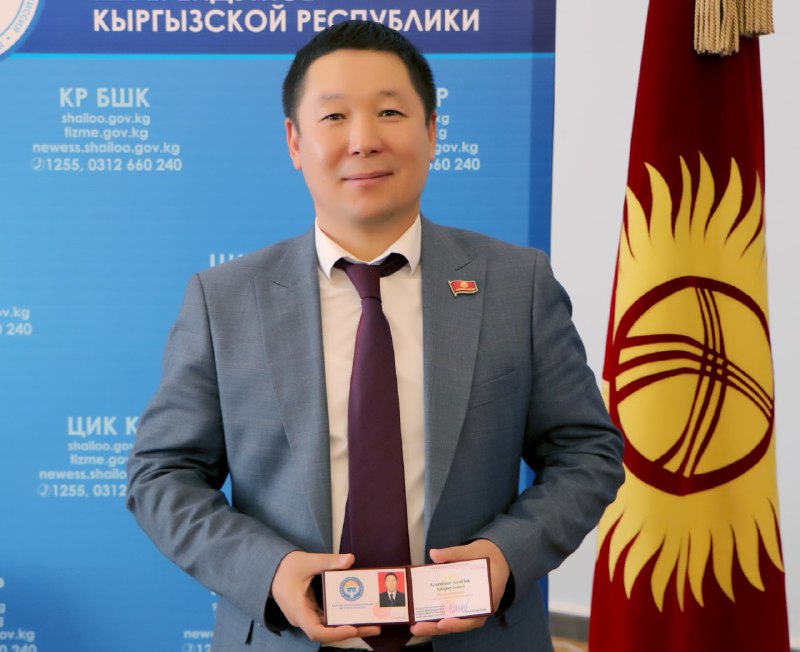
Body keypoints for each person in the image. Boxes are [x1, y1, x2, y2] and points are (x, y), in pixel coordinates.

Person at [126, 19, 624, 652]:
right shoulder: (224, 300)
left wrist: (505, 556)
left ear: (432, 132)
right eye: (334, 117)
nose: (363, 141)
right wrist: (269, 572)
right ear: (295, 141)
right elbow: (162, 474)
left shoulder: (514, 284)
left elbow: (586, 451)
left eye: (390, 112)